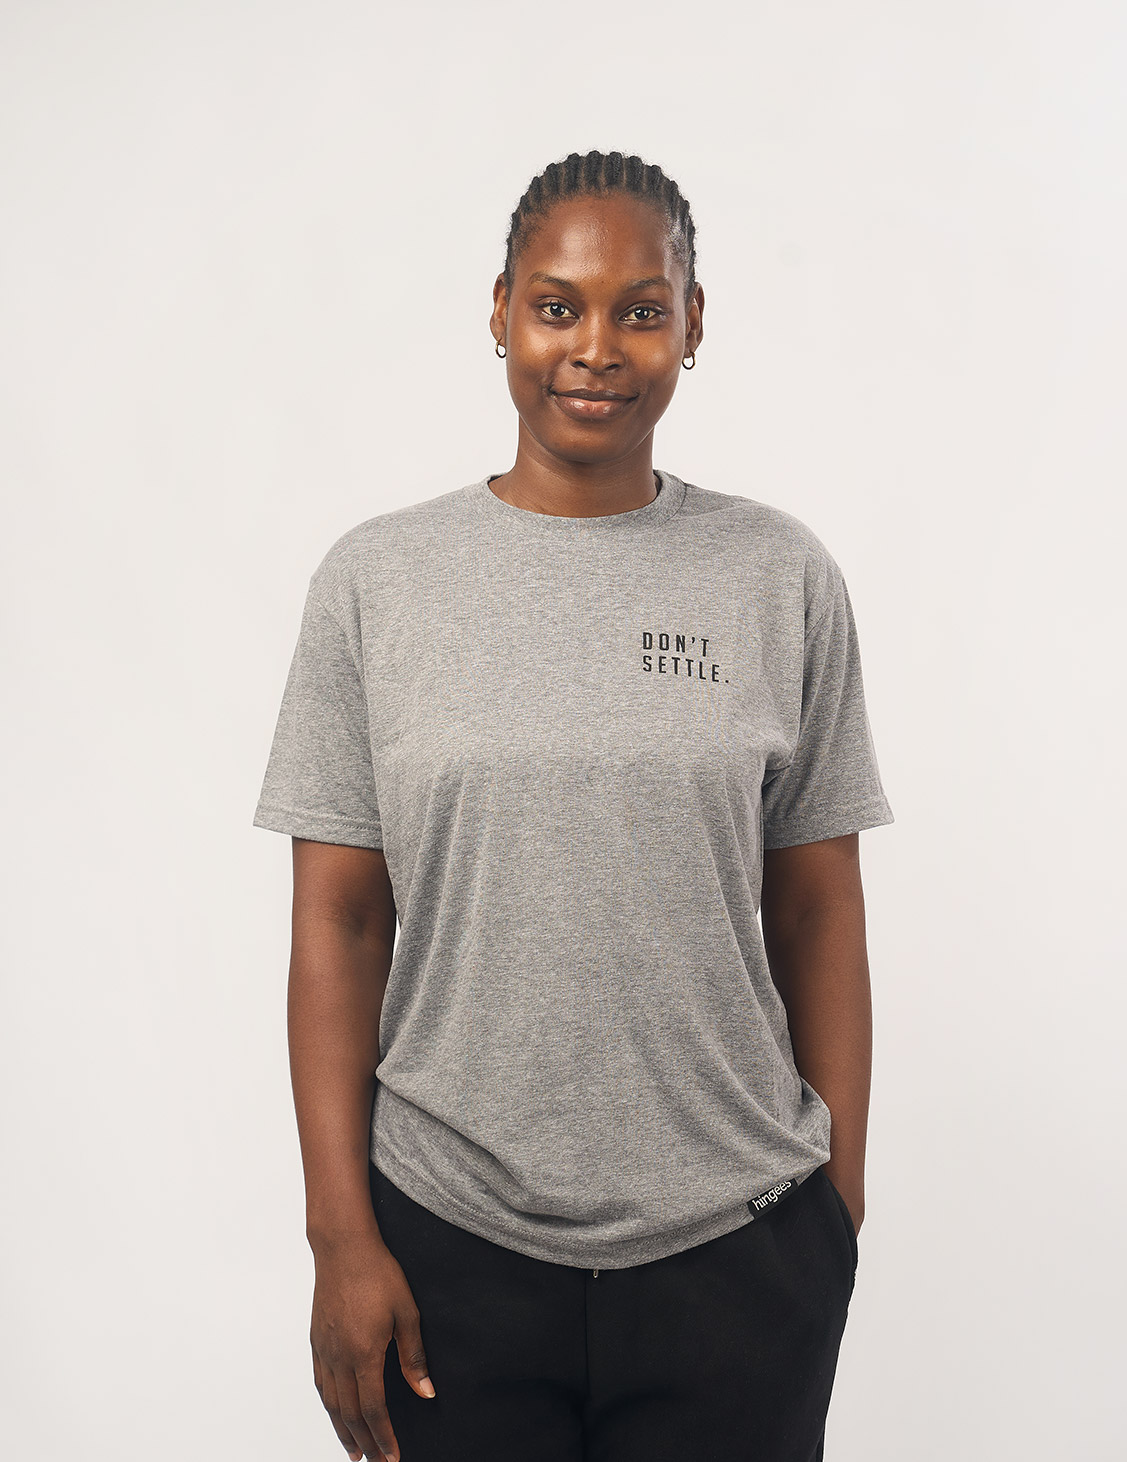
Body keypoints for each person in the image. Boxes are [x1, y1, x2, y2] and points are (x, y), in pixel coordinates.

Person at [253, 148, 894, 1462]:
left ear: (692, 324)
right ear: (500, 312)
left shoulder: (778, 576)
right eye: (557, 306)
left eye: (640, 309)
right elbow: (340, 921)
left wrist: (834, 1212)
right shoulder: (378, 583)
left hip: (738, 1250)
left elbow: (819, 908)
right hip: (447, 1249)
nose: (596, 348)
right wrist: (340, 1235)